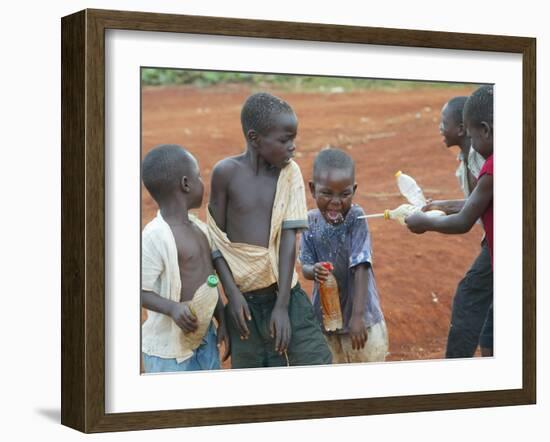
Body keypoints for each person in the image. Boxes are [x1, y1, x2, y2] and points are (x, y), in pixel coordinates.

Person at [207, 92, 332, 368]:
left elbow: (289, 240)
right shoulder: (225, 173)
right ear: (254, 138)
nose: (293, 147)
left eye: (294, 139)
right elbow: (216, 242)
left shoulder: (290, 173)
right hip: (243, 304)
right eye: (284, 140)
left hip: (285, 294)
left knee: (316, 364)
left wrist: (282, 306)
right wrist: (232, 295)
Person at [406, 85, 494, 356]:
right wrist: (441, 206)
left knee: (471, 299)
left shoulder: (487, 161)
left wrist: (425, 222)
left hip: (498, 248)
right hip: (494, 245)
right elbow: (480, 202)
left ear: (465, 129)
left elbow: (467, 218)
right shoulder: (471, 157)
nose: (439, 129)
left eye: (443, 123)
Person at [141, 144, 229, 373]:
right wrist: (172, 308)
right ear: (186, 184)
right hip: (168, 352)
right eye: (198, 176)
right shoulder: (155, 236)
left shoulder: (200, 229)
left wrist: (221, 317)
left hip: (204, 338)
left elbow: (209, 281)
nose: (202, 183)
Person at [299, 148, 388, 363]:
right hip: (326, 320)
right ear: (312, 189)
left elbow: (361, 266)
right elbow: (306, 266)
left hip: (363, 320)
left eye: (345, 194)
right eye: (327, 193)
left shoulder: (356, 218)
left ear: (354, 190)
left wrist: (357, 317)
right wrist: (314, 270)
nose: (336, 201)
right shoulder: (309, 222)